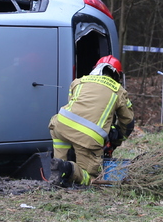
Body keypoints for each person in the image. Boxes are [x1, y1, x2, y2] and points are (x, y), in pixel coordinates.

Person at [48, 55, 134, 186]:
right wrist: (117, 139)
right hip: (88, 137)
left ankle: (59, 169)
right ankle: (68, 169)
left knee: (62, 148)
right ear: (117, 75)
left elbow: (75, 106)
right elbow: (128, 122)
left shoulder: (78, 82)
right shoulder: (119, 91)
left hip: (60, 125)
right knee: (90, 177)